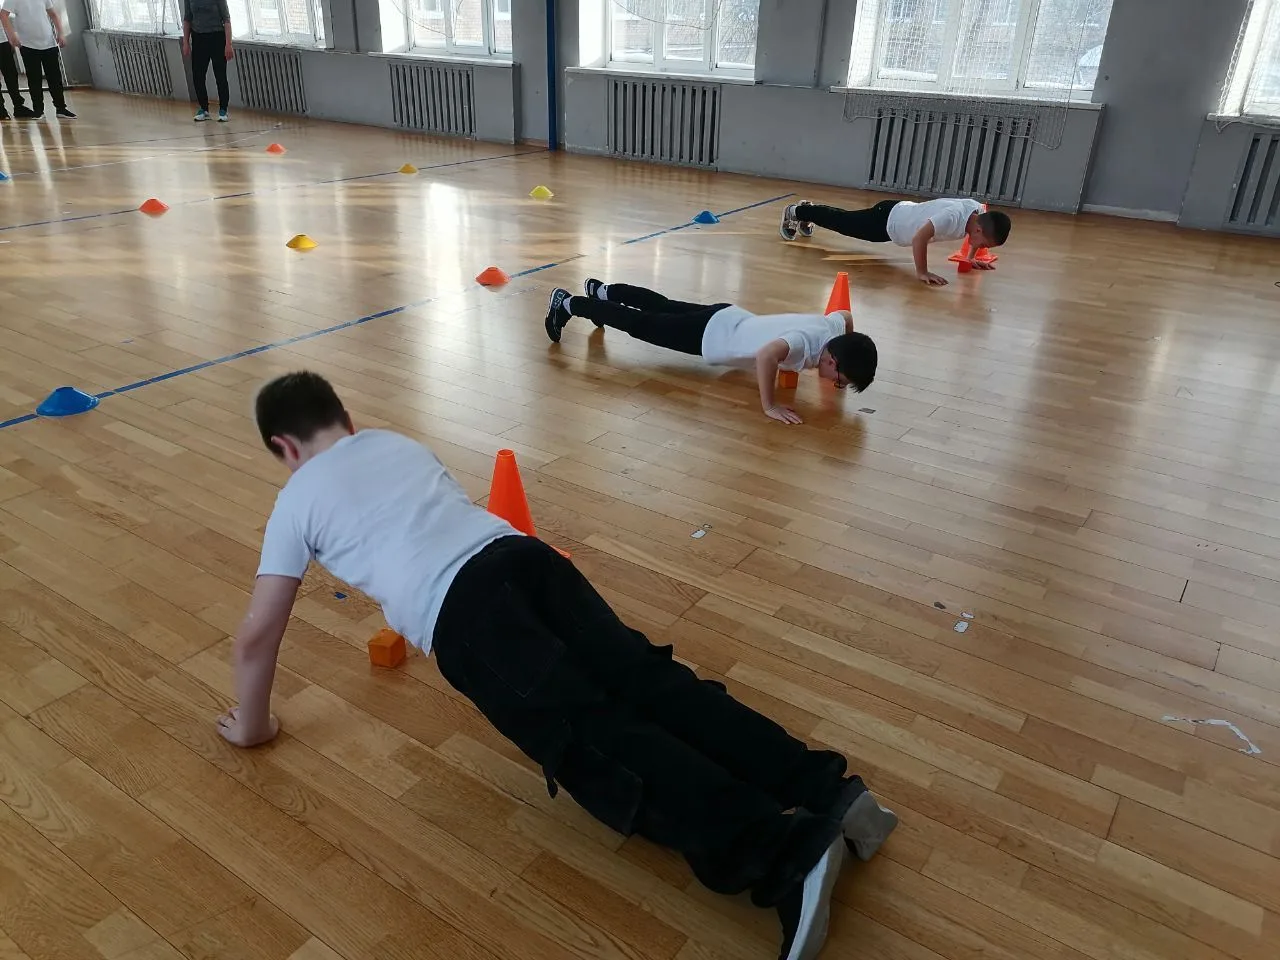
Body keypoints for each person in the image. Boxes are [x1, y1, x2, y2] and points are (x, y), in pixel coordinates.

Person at [220, 371, 899, 960]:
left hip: (467, 619)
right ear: (345, 419)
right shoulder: (394, 443)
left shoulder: (297, 499)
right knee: (654, 685)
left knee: (600, 742)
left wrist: (253, 725)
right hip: (525, 559)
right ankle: (831, 792)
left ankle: (786, 857)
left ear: (285, 448)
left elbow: (258, 636)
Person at [544, 279, 877, 425]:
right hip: (708, 336)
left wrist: (848, 345)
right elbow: (767, 356)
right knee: (641, 324)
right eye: (839, 379)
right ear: (832, 360)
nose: (836, 384)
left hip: (728, 315)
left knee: (663, 306)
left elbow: (845, 315)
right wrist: (770, 405)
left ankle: (602, 290)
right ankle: (569, 304)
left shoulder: (833, 330)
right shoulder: (803, 344)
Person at [780, 198, 1011, 287]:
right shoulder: (952, 217)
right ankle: (796, 211)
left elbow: (978, 235)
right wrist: (922, 272)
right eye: (983, 245)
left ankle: (807, 211)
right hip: (886, 222)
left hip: (896, 214)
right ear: (978, 229)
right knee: (842, 222)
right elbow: (919, 238)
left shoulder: (977, 212)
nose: (980, 247)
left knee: (843, 220)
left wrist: (970, 259)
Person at [0, 0, 75, 119]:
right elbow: (3, 14)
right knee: (34, 79)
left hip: (49, 43)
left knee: (55, 78)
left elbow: (53, 14)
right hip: (28, 45)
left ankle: (61, 108)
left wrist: (61, 33)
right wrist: (11, 35)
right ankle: (38, 110)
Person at [182, 0, 233, 122]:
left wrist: (228, 44)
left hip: (217, 37)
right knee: (198, 75)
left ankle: (223, 109)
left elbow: (226, 20)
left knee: (220, 75)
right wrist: (185, 42)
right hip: (199, 38)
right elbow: (187, 19)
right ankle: (204, 109)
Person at [0, 30, 35, 119]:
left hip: (3, 41)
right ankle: (1, 110)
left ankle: (18, 107)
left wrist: (10, 39)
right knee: (10, 75)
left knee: (11, 75)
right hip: (3, 41)